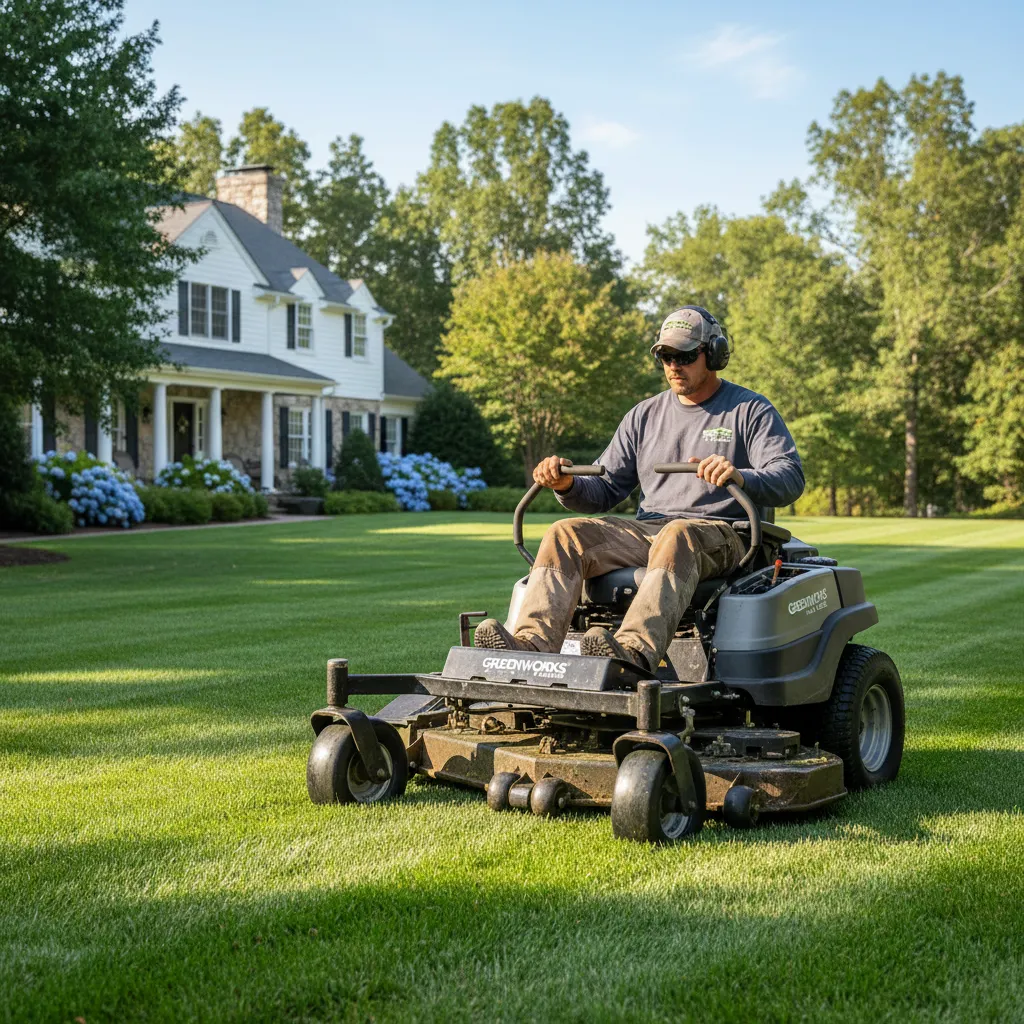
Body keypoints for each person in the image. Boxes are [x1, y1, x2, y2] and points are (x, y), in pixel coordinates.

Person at [474, 305, 805, 672]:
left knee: (678, 533)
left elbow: (789, 477)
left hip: (724, 533)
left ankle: (631, 655)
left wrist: (740, 476)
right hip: (652, 530)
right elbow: (604, 488)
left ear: (713, 354)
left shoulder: (750, 410)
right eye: (665, 356)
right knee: (564, 533)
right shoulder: (644, 416)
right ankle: (529, 647)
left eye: (684, 356)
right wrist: (566, 484)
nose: (673, 366)